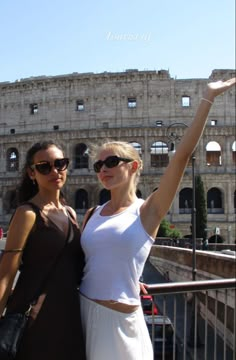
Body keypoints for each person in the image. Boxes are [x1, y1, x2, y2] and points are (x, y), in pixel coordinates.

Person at [79, 77, 236, 360]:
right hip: (82, 311)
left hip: (119, 321)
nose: (103, 169)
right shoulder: (92, 213)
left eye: (112, 162)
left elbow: (182, 156)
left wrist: (208, 98)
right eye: (99, 165)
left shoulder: (147, 211)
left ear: (135, 166)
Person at [0, 141, 86, 360]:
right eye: (44, 167)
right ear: (31, 173)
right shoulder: (27, 213)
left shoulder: (70, 213)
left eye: (60, 164)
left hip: (67, 312)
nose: (55, 171)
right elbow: (6, 275)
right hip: (34, 315)